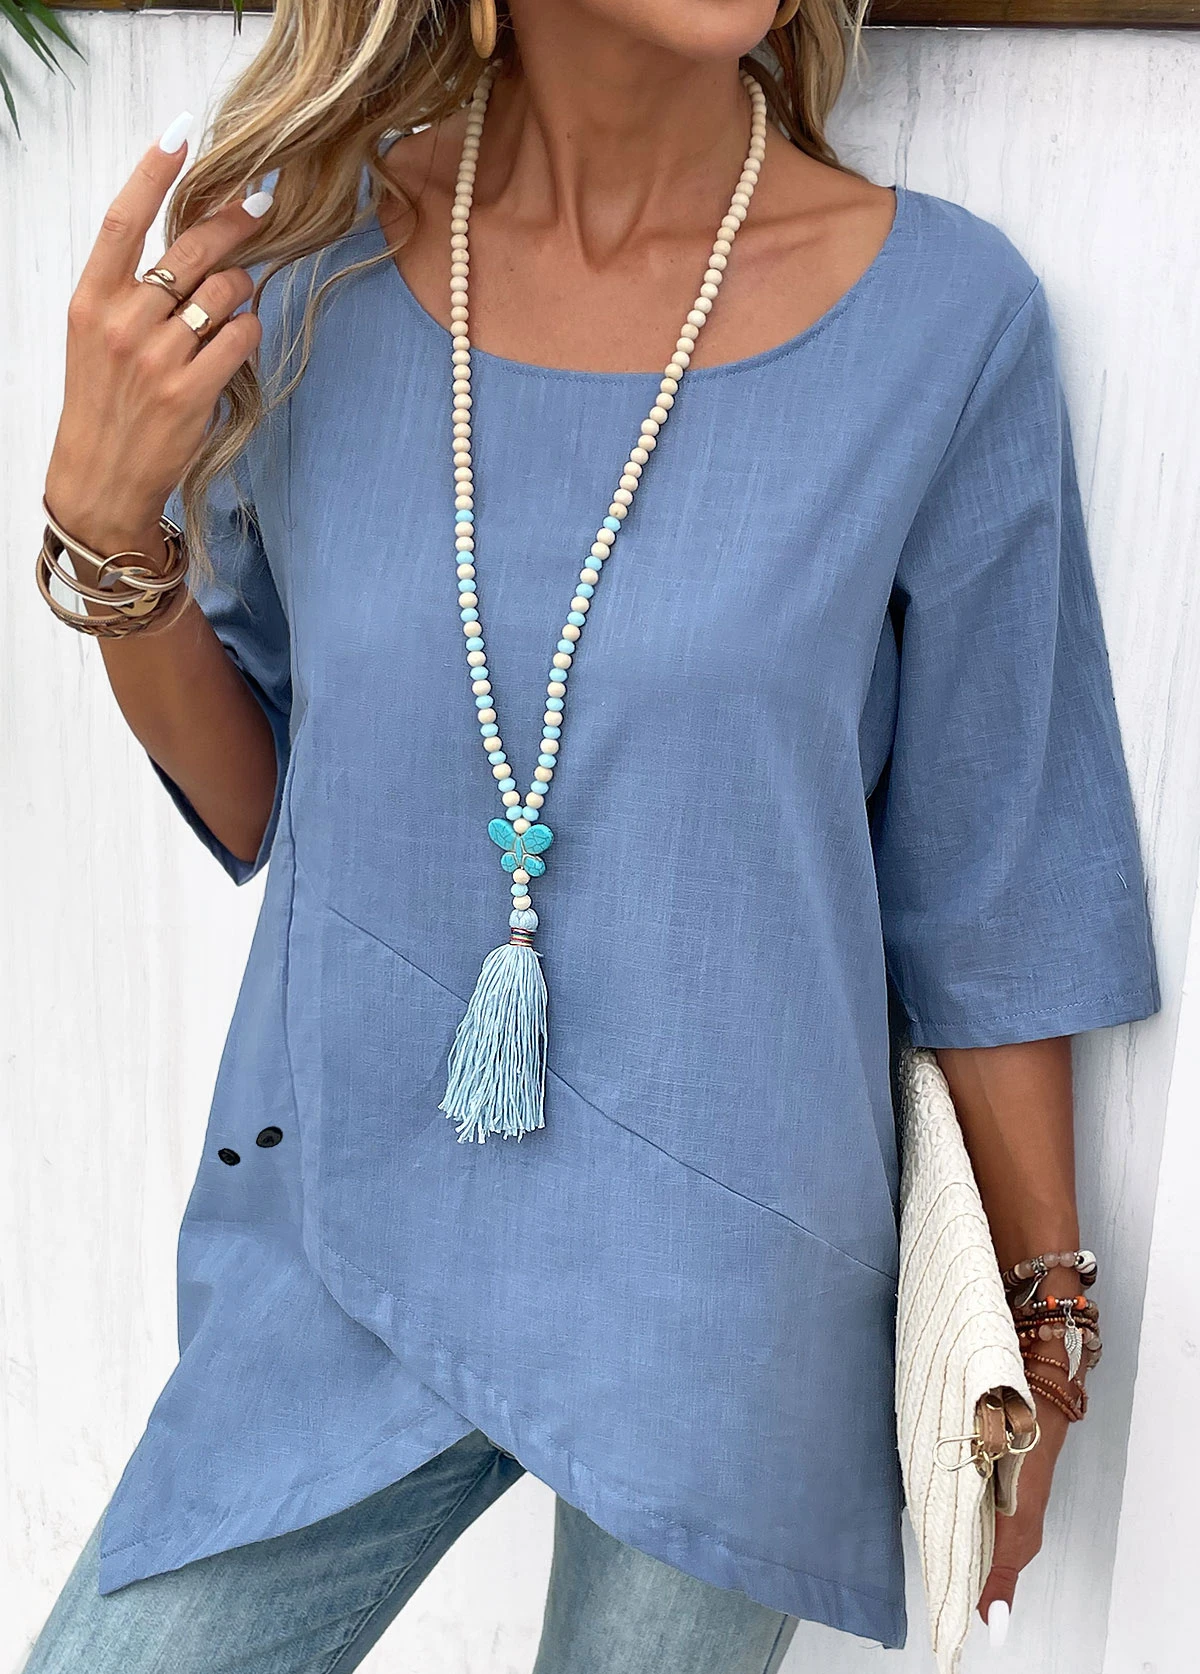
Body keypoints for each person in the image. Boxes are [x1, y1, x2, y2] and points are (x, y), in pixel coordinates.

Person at [24, 1, 1160, 1670]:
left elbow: (996, 875)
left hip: (728, 1268)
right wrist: (108, 528)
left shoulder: (942, 320)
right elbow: (272, 793)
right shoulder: (317, 278)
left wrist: (1047, 1322)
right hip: (347, 1210)